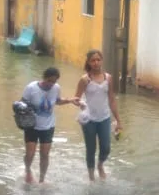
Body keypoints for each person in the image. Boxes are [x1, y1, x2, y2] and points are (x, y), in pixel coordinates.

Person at [22, 67, 80, 184]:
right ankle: (28, 171)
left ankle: (42, 180)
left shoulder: (56, 88)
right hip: (31, 125)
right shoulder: (31, 88)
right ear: (44, 78)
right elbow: (22, 104)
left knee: (44, 154)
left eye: (54, 82)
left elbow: (57, 101)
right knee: (30, 153)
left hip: (48, 126)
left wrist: (69, 100)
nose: (51, 84)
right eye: (49, 81)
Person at [74, 49, 123, 181]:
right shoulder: (85, 80)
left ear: (102, 61)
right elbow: (76, 99)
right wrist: (81, 105)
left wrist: (118, 120)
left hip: (104, 118)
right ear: (88, 63)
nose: (96, 63)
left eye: (98, 60)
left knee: (106, 147)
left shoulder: (108, 78)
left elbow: (111, 99)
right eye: (93, 60)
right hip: (89, 119)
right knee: (91, 148)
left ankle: (100, 165)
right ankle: (91, 176)